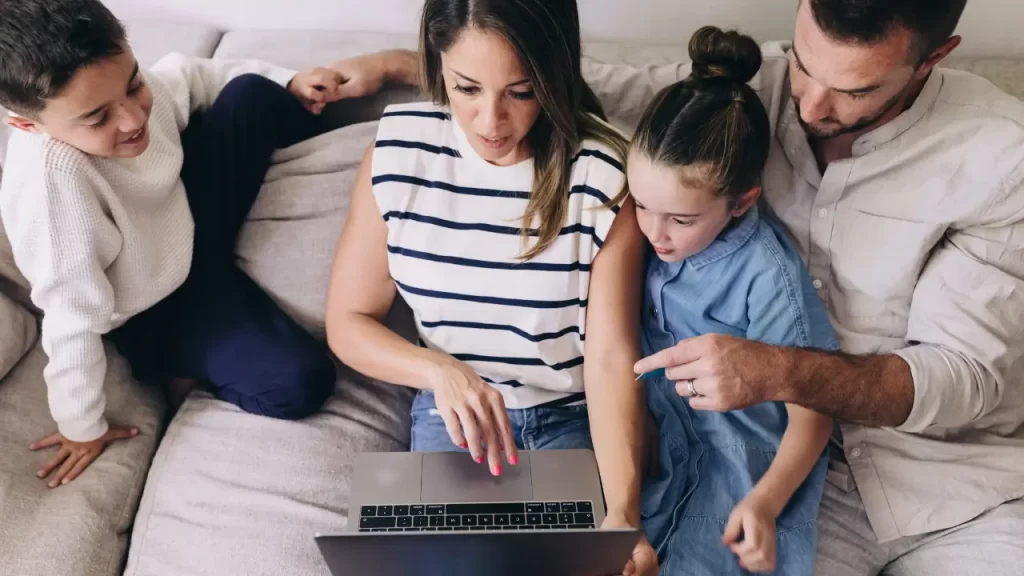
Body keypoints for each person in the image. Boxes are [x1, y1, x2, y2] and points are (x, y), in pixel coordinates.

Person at [334, 0, 1024, 572]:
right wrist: (409, 66)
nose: (810, 104)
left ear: (933, 58)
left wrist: (779, 370)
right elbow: (562, 79)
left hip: (939, 487)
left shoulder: (997, 158)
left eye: (855, 90)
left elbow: (963, 379)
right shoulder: (745, 87)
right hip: (784, 481)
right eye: (805, 64)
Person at [324, 0, 657, 573]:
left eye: (521, 92)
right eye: (467, 88)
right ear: (437, 65)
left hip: (569, 418)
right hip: (454, 420)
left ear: (552, 76)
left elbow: (608, 360)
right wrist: (441, 372)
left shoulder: (603, 176)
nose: (491, 123)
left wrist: (625, 515)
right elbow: (347, 322)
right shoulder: (398, 155)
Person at [0, 0, 349, 488]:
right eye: (98, 118)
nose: (132, 119)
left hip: (184, 222)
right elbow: (70, 321)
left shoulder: (126, 94)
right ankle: (183, 372)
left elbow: (192, 77)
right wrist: (81, 427)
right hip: (153, 309)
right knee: (299, 383)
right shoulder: (53, 191)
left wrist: (290, 81)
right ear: (26, 124)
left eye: (133, 85)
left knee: (252, 92)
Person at [629, 26, 836, 575]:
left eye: (682, 219)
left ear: (741, 203)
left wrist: (764, 504)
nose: (655, 232)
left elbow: (814, 413)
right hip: (659, 451)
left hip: (740, 471)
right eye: (642, 204)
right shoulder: (641, 234)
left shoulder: (767, 275)